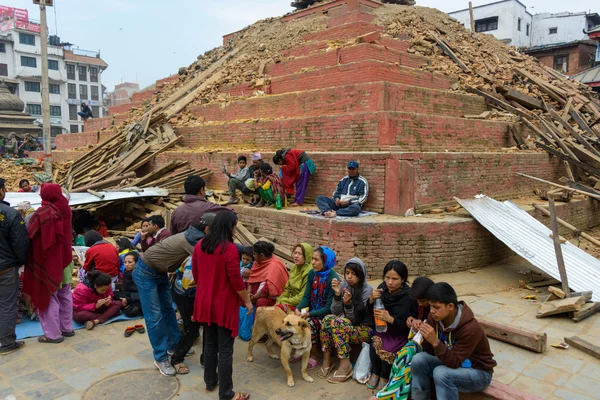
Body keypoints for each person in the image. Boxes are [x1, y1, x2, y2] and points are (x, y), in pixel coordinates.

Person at [135, 220, 210, 376]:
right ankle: (160, 357)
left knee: (168, 309)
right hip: (145, 272)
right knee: (154, 316)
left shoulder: (193, 235)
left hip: (159, 272)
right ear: (208, 229)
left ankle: (173, 346)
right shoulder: (192, 242)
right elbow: (209, 260)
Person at [193, 211, 252, 400]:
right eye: (235, 225)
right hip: (223, 304)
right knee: (225, 350)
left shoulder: (200, 245)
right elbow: (236, 281)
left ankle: (210, 382)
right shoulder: (230, 249)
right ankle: (227, 394)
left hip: (204, 302)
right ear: (229, 227)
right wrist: (248, 301)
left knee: (209, 344)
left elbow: (196, 274)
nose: (236, 229)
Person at [411, 283, 496, 400]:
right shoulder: (435, 318)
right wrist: (424, 336)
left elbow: (454, 362)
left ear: (450, 306)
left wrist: (435, 341)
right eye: (430, 306)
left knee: (441, 374)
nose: (431, 311)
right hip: (453, 362)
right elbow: (431, 352)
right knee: (418, 360)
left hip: (479, 372)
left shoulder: (470, 328)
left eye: (436, 307)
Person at [24, 183, 75, 344]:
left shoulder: (43, 213)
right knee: (65, 292)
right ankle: (67, 328)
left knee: (49, 293)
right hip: (66, 259)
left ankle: (53, 334)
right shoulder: (66, 209)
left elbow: (30, 234)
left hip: (48, 261)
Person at [169, 213, 216, 375]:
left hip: (192, 292)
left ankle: (206, 358)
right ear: (208, 229)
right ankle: (176, 359)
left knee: (209, 325)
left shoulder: (201, 241)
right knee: (193, 326)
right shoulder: (201, 247)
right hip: (186, 293)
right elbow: (190, 282)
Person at [374, 276, 435, 400]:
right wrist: (413, 321)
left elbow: (437, 338)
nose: (419, 304)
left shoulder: (436, 310)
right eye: (387, 277)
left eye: (422, 301)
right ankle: (390, 393)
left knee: (410, 365)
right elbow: (417, 321)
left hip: (434, 349)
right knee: (402, 355)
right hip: (421, 343)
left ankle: (385, 397)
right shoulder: (421, 305)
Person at [319, 257, 373, 383]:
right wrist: (337, 295)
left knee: (339, 322)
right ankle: (327, 359)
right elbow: (335, 312)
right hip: (345, 324)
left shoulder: (367, 290)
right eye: (347, 273)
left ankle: (345, 364)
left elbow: (354, 320)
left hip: (364, 328)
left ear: (361, 275)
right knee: (327, 319)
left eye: (354, 274)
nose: (349, 277)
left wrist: (348, 304)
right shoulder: (343, 285)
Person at [366, 260, 418, 390]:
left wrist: (390, 319)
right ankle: (375, 372)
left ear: (403, 279)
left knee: (388, 348)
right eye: (387, 277)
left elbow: (409, 326)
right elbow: (369, 315)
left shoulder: (409, 297)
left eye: (395, 279)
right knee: (375, 341)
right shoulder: (381, 289)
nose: (390, 282)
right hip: (383, 330)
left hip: (399, 334)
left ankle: (385, 376)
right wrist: (371, 300)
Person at [295, 246, 339, 370]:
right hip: (313, 311)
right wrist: (298, 309)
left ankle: (315, 354)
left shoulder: (332, 279)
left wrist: (309, 314)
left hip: (325, 315)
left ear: (325, 261)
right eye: (312, 259)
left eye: (316, 260)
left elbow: (329, 308)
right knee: (296, 318)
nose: (313, 262)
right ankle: (302, 350)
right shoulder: (312, 274)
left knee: (308, 323)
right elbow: (307, 297)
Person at [0, 177, 28, 355]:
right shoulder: (10, 214)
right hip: (6, 268)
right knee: (7, 305)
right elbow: (20, 243)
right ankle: (7, 343)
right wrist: (21, 262)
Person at [246, 241, 289, 308]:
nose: (253, 256)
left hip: (271, 297)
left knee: (261, 302)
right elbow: (251, 280)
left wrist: (253, 298)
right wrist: (248, 293)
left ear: (261, 255)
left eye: (254, 254)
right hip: (254, 295)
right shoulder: (257, 262)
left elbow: (266, 290)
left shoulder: (275, 266)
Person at [276, 243, 313, 312]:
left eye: (300, 254)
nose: (296, 256)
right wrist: (280, 300)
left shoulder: (309, 272)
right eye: (295, 253)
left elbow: (302, 297)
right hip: (290, 300)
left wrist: (283, 301)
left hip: (302, 306)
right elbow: (287, 289)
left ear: (307, 256)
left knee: (278, 308)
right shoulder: (295, 268)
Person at [114, 252, 142, 317]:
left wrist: (128, 300)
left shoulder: (141, 274)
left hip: (139, 297)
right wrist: (125, 299)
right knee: (114, 294)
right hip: (129, 295)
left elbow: (142, 292)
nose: (126, 264)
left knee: (129, 312)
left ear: (137, 263)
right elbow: (126, 290)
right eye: (125, 262)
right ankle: (127, 304)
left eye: (130, 262)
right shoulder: (125, 272)